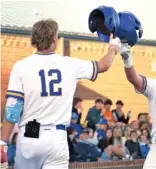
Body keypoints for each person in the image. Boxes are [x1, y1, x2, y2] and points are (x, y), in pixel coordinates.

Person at [1, 19, 121, 169]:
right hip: (56, 138)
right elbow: (104, 65)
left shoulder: (21, 66)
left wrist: (2, 142)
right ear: (54, 39)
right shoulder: (70, 64)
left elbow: (12, 109)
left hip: (29, 137)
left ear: (34, 39)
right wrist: (113, 47)